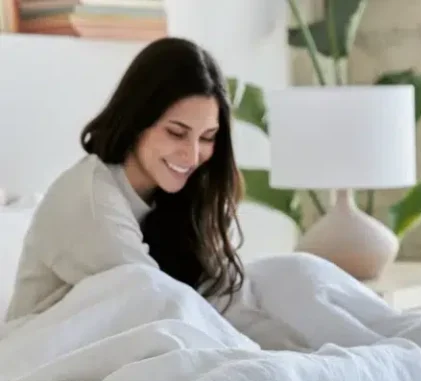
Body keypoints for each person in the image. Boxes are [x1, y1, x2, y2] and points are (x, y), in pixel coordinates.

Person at [5, 36, 245, 322]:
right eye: (176, 133)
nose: (192, 156)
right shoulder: (89, 201)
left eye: (207, 137)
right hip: (47, 357)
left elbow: (220, 302)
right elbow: (155, 307)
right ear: (137, 122)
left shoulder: (180, 199)